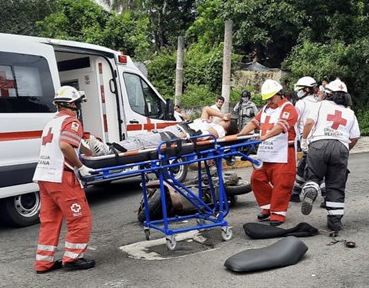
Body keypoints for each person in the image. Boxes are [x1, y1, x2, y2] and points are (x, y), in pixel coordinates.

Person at [32, 86, 96, 273]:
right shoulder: (72, 121)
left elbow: (73, 143)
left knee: (50, 220)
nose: (78, 106)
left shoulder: (52, 123)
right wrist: (81, 166)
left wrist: (86, 150)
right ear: (70, 104)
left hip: (44, 176)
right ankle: (73, 258)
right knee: (80, 217)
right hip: (61, 176)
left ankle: (44, 262)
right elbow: (65, 145)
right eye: (77, 103)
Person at [233, 79, 298, 226]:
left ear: (279, 94)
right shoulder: (266, 108)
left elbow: (281, 126)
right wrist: (241, 135)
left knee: (282, 183)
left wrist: (263, 137)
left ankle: (278, 213)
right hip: (265, 151)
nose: (269, 101)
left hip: (283, 152)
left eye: (271, 98)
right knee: (257, 179)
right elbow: (254, 122)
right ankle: (268, 206)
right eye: (267, 99)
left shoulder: (289, 109)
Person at [299, 79, 360, 233]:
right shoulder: (350, 113)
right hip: (340, 147)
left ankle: (312, 187)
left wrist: (304, 141)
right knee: (336, 185)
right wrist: (345, 149)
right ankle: (335, 222)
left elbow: (308, 124)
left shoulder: (319, 105)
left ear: (328, 94)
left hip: (319, 144)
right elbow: (354, 138)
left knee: (313, 175)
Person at [89, 106, 238, 155]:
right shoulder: (211, 122)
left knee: (142, 142)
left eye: (224, 119)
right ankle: (110, 147)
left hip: (177, 134)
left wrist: (185, 137)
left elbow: (206, 137)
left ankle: (108, 151)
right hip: (176, 129)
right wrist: (221, 115)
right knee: (141, 138)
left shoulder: (219, 130)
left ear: (227, 123)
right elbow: (206, 109)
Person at [290, 76, 321, 203]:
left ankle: (296, 192)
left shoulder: (301, 103)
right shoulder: (319, 102)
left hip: (305, 137)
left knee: (303, 166)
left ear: (306, 90)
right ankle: (326, 194)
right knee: (318, 166)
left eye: (300, 89)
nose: (298, 92)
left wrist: (300, 139)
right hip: (317, 138)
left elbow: (295, 122)